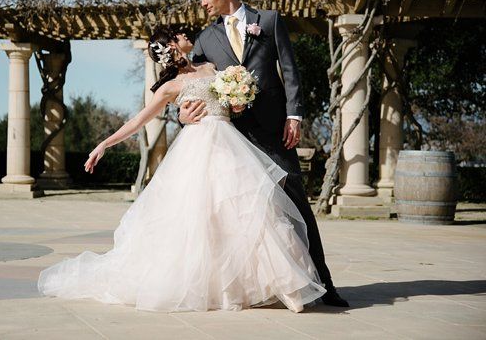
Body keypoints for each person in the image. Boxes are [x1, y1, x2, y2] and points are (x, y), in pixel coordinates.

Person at [37, 27, 327, 312]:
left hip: (231, 145)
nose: (183, 38)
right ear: (171, 48)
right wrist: (104, 144)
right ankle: (222, 289)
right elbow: (138, 121)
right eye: (176, 38)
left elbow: (231, 105)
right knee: (204, 216)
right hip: (200, 147)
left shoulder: (211, 66)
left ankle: (283, 286)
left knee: (252, 211)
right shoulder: (169, 87)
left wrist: (237, 102)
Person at [179, 0, 348, 307]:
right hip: (231, 135)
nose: (203, 3)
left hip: (273, 129)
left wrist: (294, 114)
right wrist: (181, 114)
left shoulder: (268, 21)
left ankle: (325, 282)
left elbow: (289, 69)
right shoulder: (205, 38)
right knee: (243, 211)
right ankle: (254, 287)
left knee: (297, 201)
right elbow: (186, 82)